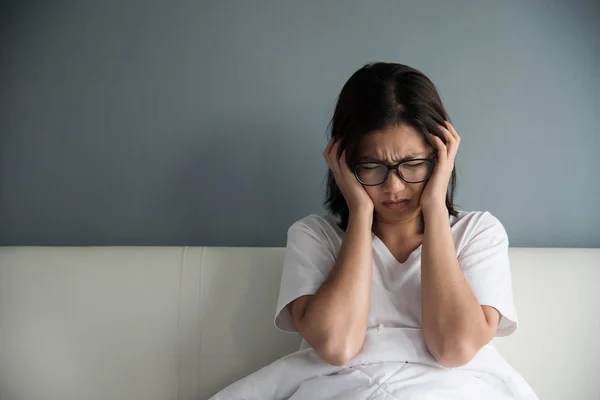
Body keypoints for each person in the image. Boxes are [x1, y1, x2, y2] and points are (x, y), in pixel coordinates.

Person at [210, 62, 537, 399]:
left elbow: (455, 349)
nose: (394, 186)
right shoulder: (314, 237)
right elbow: (337, 346)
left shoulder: (478, 233)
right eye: (372, 167)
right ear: (343, 163)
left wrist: (435, 207)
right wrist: (361, 213)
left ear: (440, 158)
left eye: (411, 164)